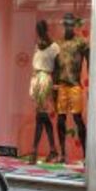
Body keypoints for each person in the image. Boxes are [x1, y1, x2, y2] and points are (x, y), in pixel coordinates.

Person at [55, 13, 89, 164]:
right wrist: (53, 85)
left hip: (75, 85)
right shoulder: (58, 44)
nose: (68, 27)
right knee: (60, 119)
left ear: (74, 25)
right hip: (61, 85)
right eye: (66, 24)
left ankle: (86, 155)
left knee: (77, 119)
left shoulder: (81, 43)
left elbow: (90, 61)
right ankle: (62, 153)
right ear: (63, 25)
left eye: (71, 24)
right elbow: (55, 66)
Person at [29, 20, 59, 164]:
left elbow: (57, 67)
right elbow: (35, 68)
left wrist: (56, 85)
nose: (39, 32)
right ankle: (52, 150)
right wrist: (33, 85)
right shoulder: (38, 46)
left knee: (40, 117)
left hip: (46, 81)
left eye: (40, 29)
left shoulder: (54, 47)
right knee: (42, 118)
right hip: (38, 80)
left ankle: (34, 151)